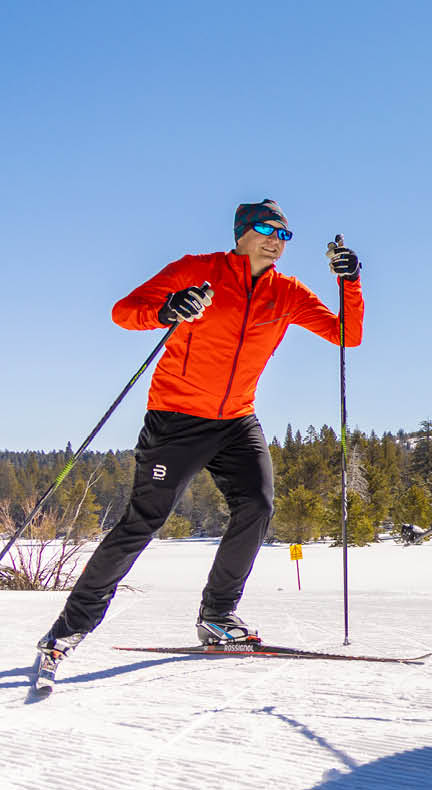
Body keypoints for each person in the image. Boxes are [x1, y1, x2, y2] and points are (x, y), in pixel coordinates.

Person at [34, 200, 364, 669]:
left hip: (237, 420)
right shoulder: (197, 270)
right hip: (177, 418)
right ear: (241, 232)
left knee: (257, 505)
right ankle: (69, 628)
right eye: (268, 230)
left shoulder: (287, 293)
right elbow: (123, 312)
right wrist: (168, 309)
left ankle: (218, 616)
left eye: (284, 235)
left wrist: (350, 282)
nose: (276, 241)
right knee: (142, 522)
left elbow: (347, 334)